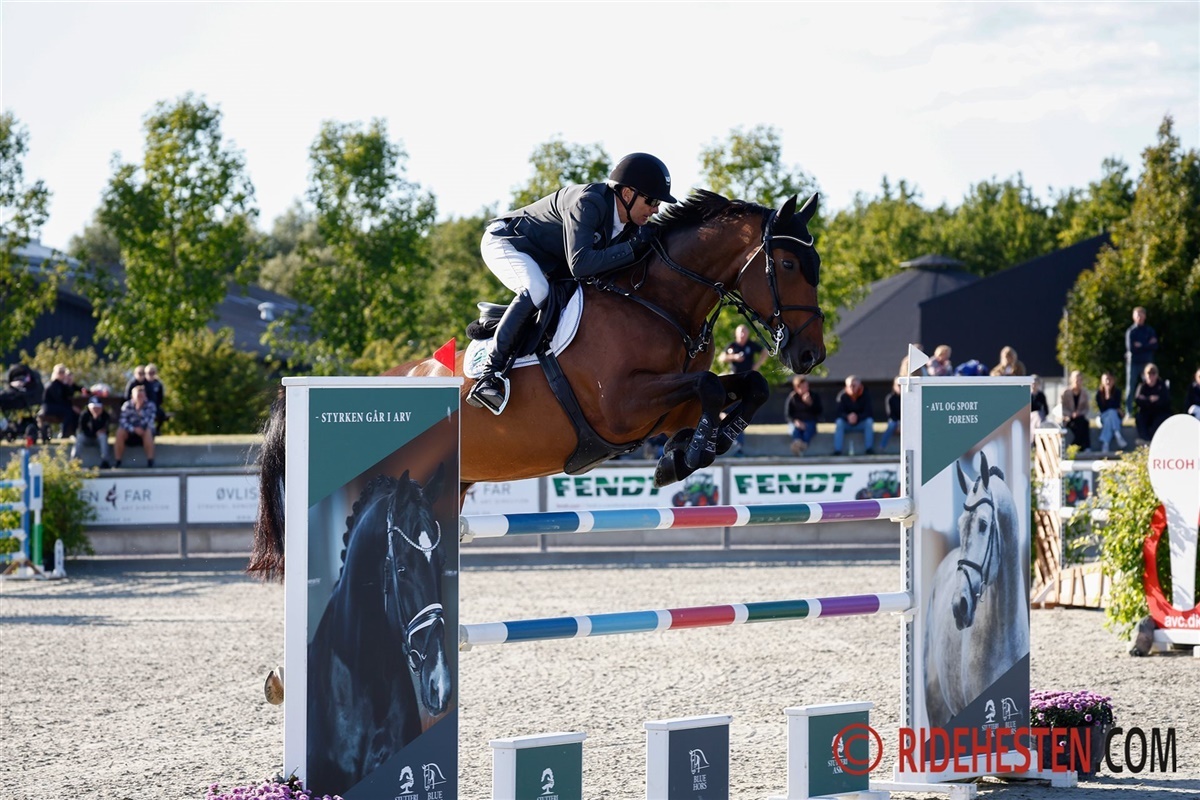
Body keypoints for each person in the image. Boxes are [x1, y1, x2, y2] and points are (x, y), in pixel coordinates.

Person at [466, 152, 676, 414]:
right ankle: (490, 375)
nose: (656, 209)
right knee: (537, 289)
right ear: (627, 193)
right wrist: (633, 247)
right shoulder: (589, 202)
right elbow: (581, 265)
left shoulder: (628, 225)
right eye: (652, 200)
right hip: (507, 243)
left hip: (549, 262)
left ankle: (507, 325)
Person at [1125, 306, 1159, 416]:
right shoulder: (1131, 331)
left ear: (1145, 316)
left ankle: (1149, 409)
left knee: (1149, 385)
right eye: (1137, 315)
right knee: (1131, 387)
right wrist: (1147, 345)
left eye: (1141, 315)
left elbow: (1155, 346)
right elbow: (1131, 348)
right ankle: (1129, 412)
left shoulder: (1149, 330)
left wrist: (1141, 345)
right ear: (1133, 317)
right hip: (1133, 363)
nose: (1139, 317)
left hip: (1146, 363)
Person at [114, 385, 157, 468]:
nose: (140, 398)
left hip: (144, 432)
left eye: (142, 395)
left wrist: (140, 411)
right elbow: (123, 421)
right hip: (130, 432)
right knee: (120, 432)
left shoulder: (150, 405)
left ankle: (150, 461)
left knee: (148, 431)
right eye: (138, 396)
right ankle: (118, 461)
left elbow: (150, 420)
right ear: (132, 396)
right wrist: (133, 429)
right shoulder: (127, 405)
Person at [833, 375, 875, 456]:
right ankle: (837, 450)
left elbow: (869, 412)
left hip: (860, 423)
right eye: (849, 386)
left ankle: (869, 449)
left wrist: (857, 417)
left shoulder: (866, 395)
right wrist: (847, 417)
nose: (852, 388)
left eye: (854, 385)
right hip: (847, 423)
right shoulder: (842, 396)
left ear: (859, 385)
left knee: (869, 422)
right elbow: (838, 412)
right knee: (839, 422)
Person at [38, 364, 83, 438]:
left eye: (63, 372)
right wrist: (72, 407)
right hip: (49, 407)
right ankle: (64, 434)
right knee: (68, 412)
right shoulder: (53, 385)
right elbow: (59, 400)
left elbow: (72, 391)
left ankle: (74, 432)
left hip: (58, 406)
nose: (62, 374)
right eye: (60, 372)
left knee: (75, 413)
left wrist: (69, 383)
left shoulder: (62, 384)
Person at [784, 375, 823, 456]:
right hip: (797, 421)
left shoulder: (814, 396)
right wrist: (795, 421)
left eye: (806, 386)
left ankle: (800, 446)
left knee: (808, 429)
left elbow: (819, 411)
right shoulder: (792, 398)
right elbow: (788, 414)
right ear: (797, 388)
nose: (806, 389)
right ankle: (798, 444)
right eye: (803, 387)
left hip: (810, 420)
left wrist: (810, 403)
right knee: (795, 430)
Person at [1133, 363, 1171, 441]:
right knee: (1139, 418)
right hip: (1146, 412)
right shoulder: (1142, 386)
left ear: (1157, 375)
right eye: (1148, 373)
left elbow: (1166, 400)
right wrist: (1150, 399)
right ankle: (1145, 439)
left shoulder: (1162, 386)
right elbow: (1138, 400)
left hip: (1159, 413)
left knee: (1162, 419)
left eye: (1153, 373)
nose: (1151, 376)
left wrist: (1149, 400)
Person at [73, 396, 113, 468]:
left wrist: (97, 419)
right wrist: (94, 433)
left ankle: (105, 461)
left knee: (103, 437)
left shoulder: (105, 416)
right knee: (79, 437)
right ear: (89, 407)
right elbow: (81, 429)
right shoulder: (84, 415)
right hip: (87, 438)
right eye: (94, 408)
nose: (96, 410)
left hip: (98, 439)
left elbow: (106, 430)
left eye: (98, 407)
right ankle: (74, 461)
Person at [1094, 372, 1128, 452]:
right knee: (1111, 412)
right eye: (1106, 380)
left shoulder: (1117, 392)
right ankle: (1117, 433)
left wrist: (1109, 395)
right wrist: (1107, 394)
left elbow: (1116, 405)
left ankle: (1105, 443)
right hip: (1103, 416)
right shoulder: (1099, 394)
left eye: (1110, 379)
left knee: (1110, 418)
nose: (1108, 382)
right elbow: (1103, 409)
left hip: (1112, 418)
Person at [1059, 370, 1092, 451]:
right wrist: (1071, 414)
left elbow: (1086, 408)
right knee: (1079, 425)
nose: (1077, 382)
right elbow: (1061, 407)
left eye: (1079, 380)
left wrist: (1079, 413)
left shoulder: (1084, 393)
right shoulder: (1065, 392)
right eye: (1076, 380)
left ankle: (1077, 446)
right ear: (1071, 380)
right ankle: (1082, 446)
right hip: (1067, 418)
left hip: (1079, 417)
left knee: (1084, 423)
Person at [879, 377, 902, 451]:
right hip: (894, 420)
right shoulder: (890, 398)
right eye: (898, 385)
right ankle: (882, 447)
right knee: (891, 425)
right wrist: (899, 423)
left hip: (906, 421)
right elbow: (890, 414)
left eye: (902, 385)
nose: (900, 387)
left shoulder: (909, 397)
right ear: (894, 386)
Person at [144, 363, 167, 430]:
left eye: (153, 372)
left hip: (155, 406)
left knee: (162, 415)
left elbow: (161, 397)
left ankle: (157, 430)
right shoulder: (143, 383)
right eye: (149, 373)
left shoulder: (158, 383)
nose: (151, 374)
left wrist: (156, 404)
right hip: (144, 406)